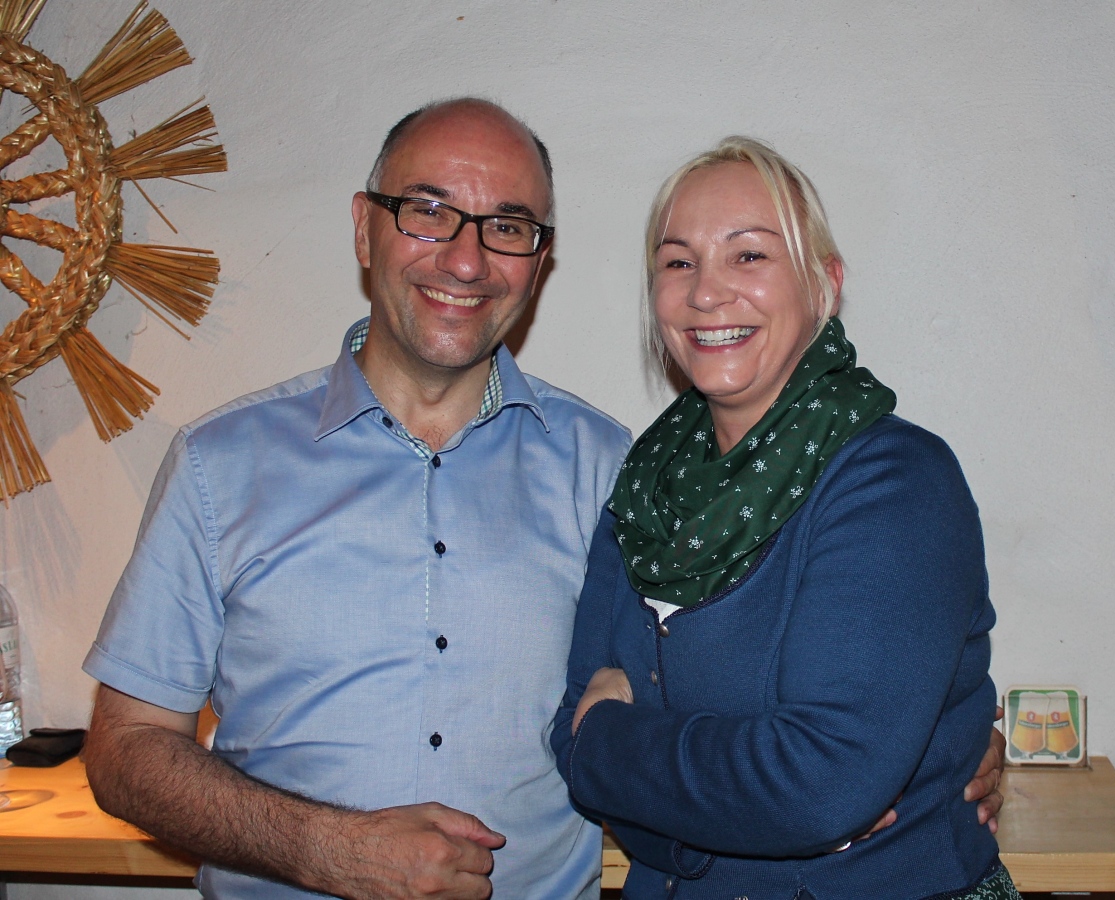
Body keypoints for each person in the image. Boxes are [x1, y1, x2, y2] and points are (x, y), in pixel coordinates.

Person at [82, 100, 1004, 900]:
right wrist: (329, 851)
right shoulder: (219, 465)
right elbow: (125, 753)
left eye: (508, 225)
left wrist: (935, 732)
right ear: (364, 228)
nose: (466, 258)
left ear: (538, 259)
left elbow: (786, 732)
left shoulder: (609, 470)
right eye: (427, 211)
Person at [552, 137, 1021, 899]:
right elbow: (565, 733)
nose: (706, 292)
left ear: (822, 285)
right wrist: (724, 809)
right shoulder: (644, 487)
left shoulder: (894, 484)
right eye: (677, 262)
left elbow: (819, 788)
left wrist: (609, 740)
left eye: (748, 256)